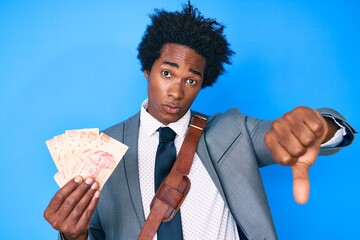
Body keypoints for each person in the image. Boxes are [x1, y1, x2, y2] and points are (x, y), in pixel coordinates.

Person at [44, 2, 356, 240]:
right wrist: (73, 236)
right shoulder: (105, 148)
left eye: (191, 80)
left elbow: (290, 136)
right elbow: (95, 233)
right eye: (167, 73)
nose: (177, 91)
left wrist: (319, 127)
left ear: (202, 85)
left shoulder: (234, 131)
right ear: (147, 70)